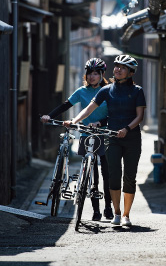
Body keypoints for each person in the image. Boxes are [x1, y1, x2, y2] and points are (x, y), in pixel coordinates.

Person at [65, 54, 146, 227]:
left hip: (132, 138)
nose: (118, 69)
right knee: (113, 176)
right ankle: (116, 212)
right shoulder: (106, 90)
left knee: (129, 177)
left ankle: (126, 214)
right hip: (112, 138)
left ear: (130, 73)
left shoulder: (137, 91)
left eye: (123, 67)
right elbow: (87, 110)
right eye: (116, 66)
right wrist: (74, 121)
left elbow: (139, 116)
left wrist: (127, 129)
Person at [41, 58, 113, 221]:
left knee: (106, 173)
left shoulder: (108, 91)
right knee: (91, 171)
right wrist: (49, 116)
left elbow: (113, 114)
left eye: (96, 73)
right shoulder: (81, 91)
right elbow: (65, 105)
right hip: (87, 134)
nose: (92, 76)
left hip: (104, 134)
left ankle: (108, 206)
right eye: (90, 73)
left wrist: (100, 123)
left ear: (102, 75)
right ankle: (96, 210)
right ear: (86, 75)